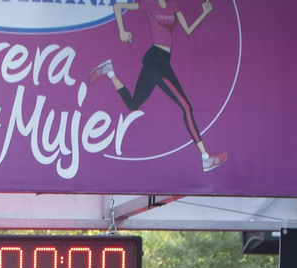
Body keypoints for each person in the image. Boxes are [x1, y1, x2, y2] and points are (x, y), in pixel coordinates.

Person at [91, 0, 227, 172]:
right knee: (186, 107)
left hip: (161, 60)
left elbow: (188, 30)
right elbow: (118, 7)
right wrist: (122, 31)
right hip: (155, 59)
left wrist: (204, 13)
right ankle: (206, 158)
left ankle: (109, 71)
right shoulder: (150, 3)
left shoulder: (174, 4)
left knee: (133, 104)